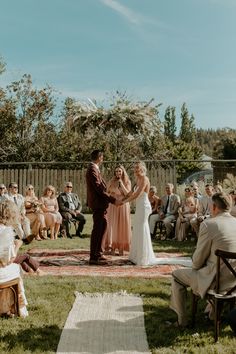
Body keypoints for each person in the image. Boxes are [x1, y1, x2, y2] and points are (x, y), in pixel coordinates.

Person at [169, 192, 236, 327]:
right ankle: (212, 314)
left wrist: (202, 263)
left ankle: (182, 321)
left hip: (215, 282)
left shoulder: (208, 224)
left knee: (176, 276)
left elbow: (197, 262)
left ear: (214, 207)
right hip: (234, 282)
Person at [122, 162, 191, 267]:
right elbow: (131, 192)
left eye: (138, 168)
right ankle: (136, 255)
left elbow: (138, 194)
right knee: (137, 228)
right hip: (139, 206)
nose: (136, 170)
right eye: (135, 169)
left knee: (142, 228)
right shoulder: (137, 179)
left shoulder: (145, 179)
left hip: (144, 206)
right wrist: (121, 199)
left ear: (142, 169)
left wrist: (124, 202)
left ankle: (143, 257)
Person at [86, 150, 117, 265]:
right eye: (102, 156)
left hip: (100, 204)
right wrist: (113, 200)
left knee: (102, 227)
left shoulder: (94, 168)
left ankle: (98, 253)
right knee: (98, 229)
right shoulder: (92, 169)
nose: (103, 158)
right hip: (98, 204)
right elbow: (99, 188)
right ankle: (94, 257)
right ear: (99, 157)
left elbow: (101, 187)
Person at [0, 200, 28, 317]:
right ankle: (15, 307)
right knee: (16, 268)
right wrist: (17, 246)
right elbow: (8, 260)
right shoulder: (6, 232)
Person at [102, 165, 132, 256]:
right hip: (113, 204)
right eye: (116, 171)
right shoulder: (111, 181)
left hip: (123, 204)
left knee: (122, 225)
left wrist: (121, 184)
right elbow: (106, 191)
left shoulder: (127, 181)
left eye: (120, 171)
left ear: (123, 172)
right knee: (112, 225)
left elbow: (128, 194)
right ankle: (112, 246)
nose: (118, 173)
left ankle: (121, 247)